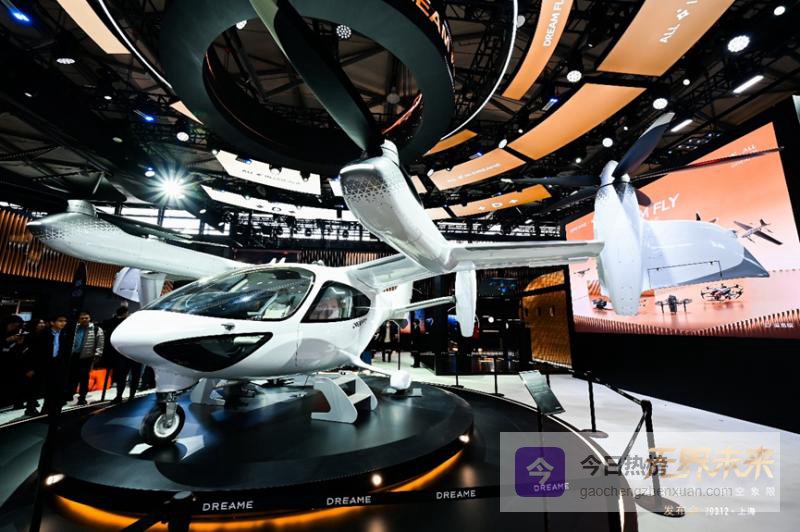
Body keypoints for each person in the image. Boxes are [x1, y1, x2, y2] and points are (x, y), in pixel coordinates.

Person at [30, 313, 70, 413]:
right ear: (52, 322)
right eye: (60, 321)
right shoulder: (44, 334)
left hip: (57, 364)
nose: (63, 323)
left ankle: (49, 409)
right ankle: (33, 408)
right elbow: (35, 352)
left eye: (65, 321)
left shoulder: (65, 334)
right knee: (40, 387)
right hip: (43, 364)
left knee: (55, 388)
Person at [103, 307, 141, 403]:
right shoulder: (123, 325)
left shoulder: (141, 327)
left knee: (135, 377)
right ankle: (119, 396)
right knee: (122, 376)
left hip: (137, 355)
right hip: (125, 354)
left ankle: (131, 396)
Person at [68, 311, 104, 405]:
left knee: (84, 379)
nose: (84, 320)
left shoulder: (96, 329)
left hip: (87, 357)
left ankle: (82, 397)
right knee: (71, 377)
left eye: (86, 318)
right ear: (78, 319)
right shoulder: (74, 328)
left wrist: (97, 355)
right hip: (74, 356)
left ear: (89, 318)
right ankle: (69, 394)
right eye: (82, 318)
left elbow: (100, 344)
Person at [3, 315, 26, 409]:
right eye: (14, 325)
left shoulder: (17, 333)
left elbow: (17, 350)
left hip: (12, 362)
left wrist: (19, 343)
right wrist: (7, 340)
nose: (15, 328)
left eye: (17, 326)